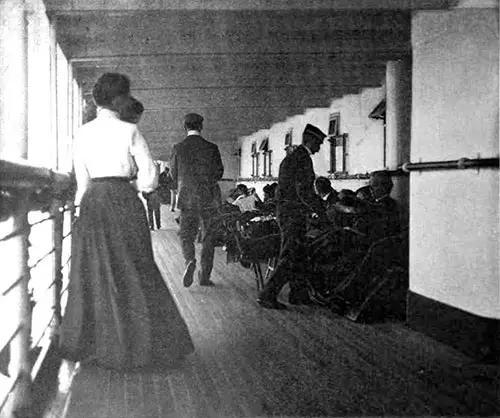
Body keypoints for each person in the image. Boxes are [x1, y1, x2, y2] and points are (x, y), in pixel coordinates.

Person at [60, 73, 194, 369]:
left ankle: (95, 343)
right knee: (135, 266)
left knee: (95, 270)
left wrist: (85, 204)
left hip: (93, 202)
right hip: (122, 199)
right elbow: (149, 176)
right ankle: (141, 344)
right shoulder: (129, 130)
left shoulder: (82, 133)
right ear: (119, 99)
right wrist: (138, 186)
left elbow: (81, 180)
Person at [257, 124, 328, 309]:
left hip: (288, 212)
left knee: (299, 253)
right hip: (292, 213)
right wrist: (321, 209)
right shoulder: (302, 159)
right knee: (290, 255)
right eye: (318, 143)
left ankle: (299, 294)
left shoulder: (293, 157)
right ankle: (267, 295)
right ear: (309, 141)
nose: (319, 147)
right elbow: (303, 191)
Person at [170, 112, 224, 287]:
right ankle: (205, 277)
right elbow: (219, 173)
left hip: (187, 199)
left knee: (186, 235)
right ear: (201, 127)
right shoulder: (212, 148)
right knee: (209, 238)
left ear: (185, 127)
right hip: (209, 198)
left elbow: (173, 174)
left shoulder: (178, 148)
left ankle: (189, 261)